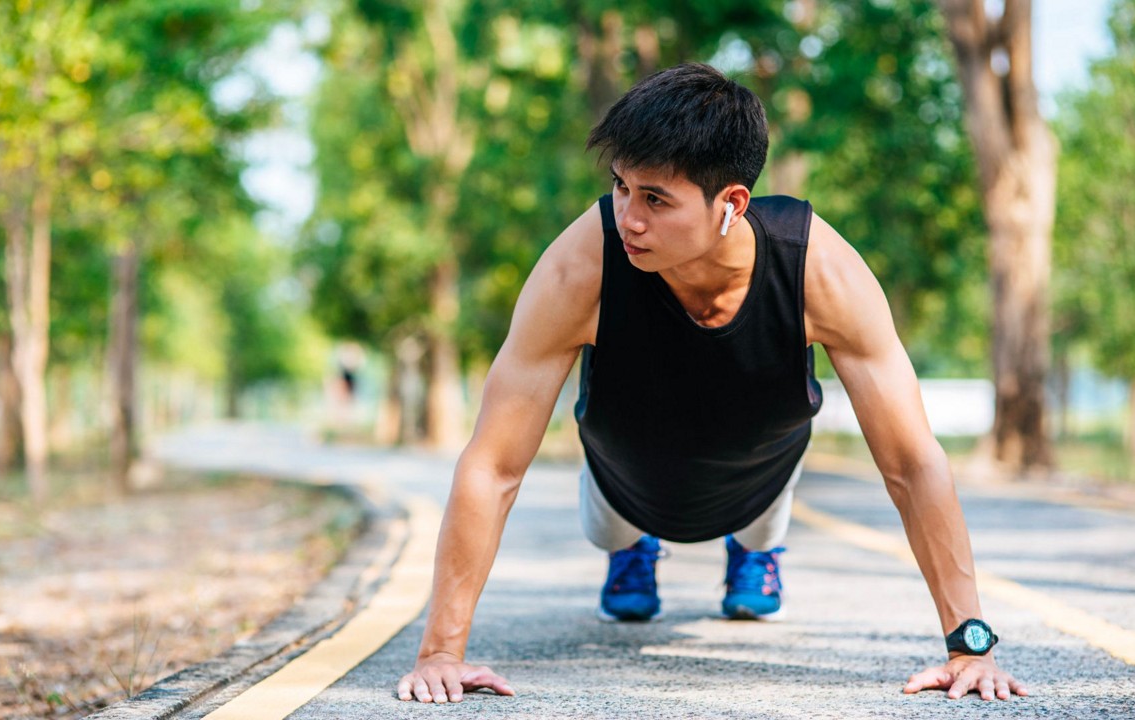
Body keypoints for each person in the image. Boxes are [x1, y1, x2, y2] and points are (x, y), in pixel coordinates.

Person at [397, 62, 1027, 705]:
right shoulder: (579, 268)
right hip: (623, 480)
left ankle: (756, 552)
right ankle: (632, 551)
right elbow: (493, 465)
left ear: (731, 204)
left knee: (762, 506)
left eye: (655, 200)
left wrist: (968, 646)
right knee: (614, 525)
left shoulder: (821, 272)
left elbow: (913, 462)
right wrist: (440, 652)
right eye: (620, 187)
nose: (627, 218)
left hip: (761, 473)